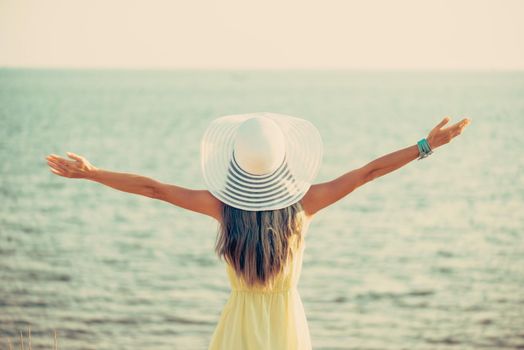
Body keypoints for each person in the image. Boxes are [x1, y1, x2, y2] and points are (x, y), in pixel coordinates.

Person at [45, 112, 471, 350]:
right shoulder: (305, 205)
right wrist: (426, 145)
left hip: (238, 328)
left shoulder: (222, 208)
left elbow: (154, 189)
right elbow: (367, 173)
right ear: (285, 162)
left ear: (236, 165)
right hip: (287, 327)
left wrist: (93, 173)